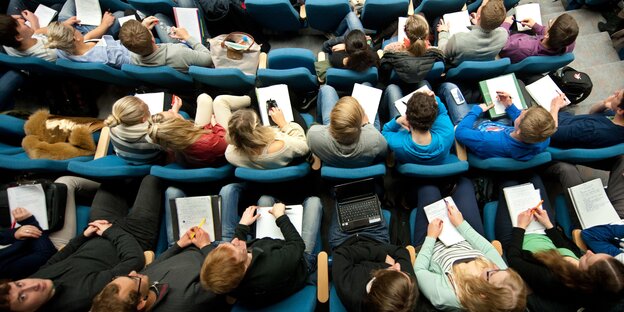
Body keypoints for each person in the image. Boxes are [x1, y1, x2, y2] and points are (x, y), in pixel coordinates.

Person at [0, 175, 164, 312]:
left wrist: (84, 236)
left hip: (97, 229)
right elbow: (134, 260)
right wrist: (110, 231)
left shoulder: (37, 279)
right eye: (23, 297)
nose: (31, 285)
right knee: (151, 179)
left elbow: (57, 258)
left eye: (20, 284)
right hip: (134, 235)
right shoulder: (81, 297)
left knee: (114, 177)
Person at [495, 175, 624, 311]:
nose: (589, 251)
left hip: (517, 238)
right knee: (534, 177)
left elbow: (514, 259)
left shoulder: (553, 280)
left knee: (509, 180)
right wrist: (549, 225)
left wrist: (520, 227)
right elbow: (564, 248)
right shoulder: (580, 270)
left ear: (585, 278)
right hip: (543, 231)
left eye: (589, 258)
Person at [413, 178, 527, 312]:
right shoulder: (501, 277)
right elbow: (487, 249)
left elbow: (420, 270)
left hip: (432, 243)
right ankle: (446, 188)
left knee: (428, 187)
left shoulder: (448, 296)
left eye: (491, 273)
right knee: (464, 184)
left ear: (483, 294)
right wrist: (461, 225)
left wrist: (431, 237)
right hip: (465, 237)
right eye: (503, 269)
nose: (496, 266)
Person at [200, 196, 322, 307]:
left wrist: (243, 226)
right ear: (243, 267)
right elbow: (297, 244)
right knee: (314, 203)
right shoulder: (272, 268)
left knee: (264, 200)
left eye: (230, 244)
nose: (235, 240)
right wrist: (280, 216)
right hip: (300, 258)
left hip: (268, 247)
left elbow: (233, 254)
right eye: (236, 247)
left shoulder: (230, 281)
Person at [91, 226, 225, 312]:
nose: (133, 272)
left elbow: (155, 265)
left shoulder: (140, 285)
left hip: (186, 245)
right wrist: (205, 246)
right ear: (141, 303)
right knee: (229, 190)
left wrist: (179, 245)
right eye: (133, 279)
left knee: (173, 191)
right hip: (216, 251)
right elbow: (222, 275)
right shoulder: (186, 302)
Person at [329, 186, 417, 312]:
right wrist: (376, 253)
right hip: (376, 236)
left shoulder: (350, 291)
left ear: (377, 278)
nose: (398, 266)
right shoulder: (406, 290)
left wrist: (382, 256)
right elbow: (401, 252)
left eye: (394, 271)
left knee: (343, 196)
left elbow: (341, 254)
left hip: (344, 239)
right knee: (369, 194)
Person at [444, 83, 556, 160]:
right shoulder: (543, 138)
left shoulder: (488, 141)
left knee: (450, 87)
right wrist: (509, 106)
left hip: (473, 129)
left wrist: (476, 110)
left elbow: (460, 132)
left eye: (522, 115)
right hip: (501, 127)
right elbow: (527, 123)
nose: (522, 111)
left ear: (519, 130)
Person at [148, 94, 251, 168]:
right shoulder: (207, 143)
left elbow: (185, 129)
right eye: (170, 112)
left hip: (197, 135)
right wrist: (215, 125)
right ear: (177, 125)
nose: (170, 110)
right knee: (220, 101)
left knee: (203, 98)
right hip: (220, 143)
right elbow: (227, 141)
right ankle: (251, 97)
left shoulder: (168, 138)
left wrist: (175, 113)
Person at [306, 85, 387, 168]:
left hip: (328, 152)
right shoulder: (376, 140)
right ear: (360, 125)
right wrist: (367, 124)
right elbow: (383, 154)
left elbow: (315, 130)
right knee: (367, 86)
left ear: (331, 118)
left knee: (326, 88)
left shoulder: (313, 135)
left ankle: (317, 157)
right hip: (365, 152)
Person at [381, 86, 454, 164]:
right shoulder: (448, 134)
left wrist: (398, 120)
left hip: (405, 144)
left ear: (407, 116)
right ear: (433, 119)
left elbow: (385, 132)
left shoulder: (397, 144)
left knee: (392, 88)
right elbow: (442, 112)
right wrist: (435, 99)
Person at [45, 15, 143, 68]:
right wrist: (142, 31)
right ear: (76, 38)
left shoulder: (61, 50)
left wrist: (104, 25)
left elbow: (86, 39)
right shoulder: (107, 55)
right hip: (135, 49)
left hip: (120, 45)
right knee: (128, 14)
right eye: (74, 29)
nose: (77, 30)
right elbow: (134, 61)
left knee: (122, 14)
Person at [225, 108, 309, 169]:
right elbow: (305, 147)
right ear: (257, 129)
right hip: (291, 161)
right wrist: (283, 124)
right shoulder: (281, 145)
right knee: (290, 108)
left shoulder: (230, 154)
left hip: (263, 173)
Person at [119, 19, 212, 73]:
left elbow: (135, 40)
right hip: (186, 55)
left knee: (160, 17)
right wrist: (187, 36)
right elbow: (208, 58)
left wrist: (142, 29)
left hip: (170, 58)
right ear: (152, 39)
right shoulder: (180, 52)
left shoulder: (133, 58)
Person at [379, 14, 445, 86]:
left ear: (404, 30)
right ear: (427, 35)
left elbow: (383, 75)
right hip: (422, 83)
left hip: (398, 86)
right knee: (421, 14)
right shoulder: (436, 54)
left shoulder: (391, 55)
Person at [437, 0, 508, 66]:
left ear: (478, 17)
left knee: (437, 20)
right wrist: (478, 23)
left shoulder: (458, 39)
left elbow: (442, 52)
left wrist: (443, 31)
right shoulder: (504, 35)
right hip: (479, 64)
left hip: (456, 64)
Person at [549, 89, 624, 149]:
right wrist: (604, 104)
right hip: (569, 121)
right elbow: (592, 113)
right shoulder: (616, 118)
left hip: (551, 129)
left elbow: (552, 133)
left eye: (617, 96)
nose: (615, 92)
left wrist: (555, 107)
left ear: (620, 110)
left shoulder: (593, 129)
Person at [104, 95, 166, 165]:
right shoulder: (152, 137)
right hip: (150, 161)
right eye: (148, 111)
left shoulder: (112, 127)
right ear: (144, 119)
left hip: (125, 158)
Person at [0, 208, 56, 280]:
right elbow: (46, 256)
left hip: (28, 233)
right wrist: (29, 222)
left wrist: (14, 234)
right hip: (48, 245)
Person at [499, 13, 578, 64]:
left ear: (547, 35)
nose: (549, 21)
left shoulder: (521, 46)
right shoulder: (569, 42)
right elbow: (553, 35)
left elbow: (502, 45)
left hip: (507, 47)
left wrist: (505, 25)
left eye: (550, 23)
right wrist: (535, 26)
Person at [0, 13, 76, 62]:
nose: (22, 20)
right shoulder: (49, 53)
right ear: (19, 37)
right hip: (69, 37)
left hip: (57, 30)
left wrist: (34, 21)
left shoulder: (6, 42)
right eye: (19, 24)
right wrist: (63, 27)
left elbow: (36, 33)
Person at [57, 0, 124, 38]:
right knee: (123, 14)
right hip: (87, 36)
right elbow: (82, 44)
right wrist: (104, 25)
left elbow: (47, 29)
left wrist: (64, 24)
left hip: (62, 26)